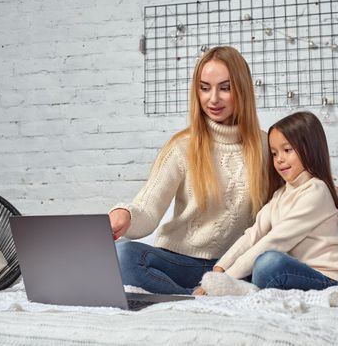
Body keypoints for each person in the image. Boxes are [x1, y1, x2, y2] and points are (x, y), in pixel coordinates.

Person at [108, 46, 269, 295]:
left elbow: (281, 212)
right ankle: (191, 297)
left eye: (225, 88)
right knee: (123, 255)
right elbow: (148, 210)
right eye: (204, 88)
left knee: (272, 266)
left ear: (243, 90)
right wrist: (125, 215)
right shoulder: (182, 146)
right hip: (181, 261)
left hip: (236, 266)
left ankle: (209, 291)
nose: (213, 99)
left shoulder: (267, 147)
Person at [194, 111, 338, 296]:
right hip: (294, 273)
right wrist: (219, 270)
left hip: (327, 279)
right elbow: (253, 235)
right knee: (254, 263)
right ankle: (211, 290)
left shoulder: (316, 191)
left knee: (268, 262)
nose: (279, 159)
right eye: (274, 153)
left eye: (287, 150)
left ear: (309, 148)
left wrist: (225, 280)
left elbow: (275, 241)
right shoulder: (281, 194)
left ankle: (240, 289)